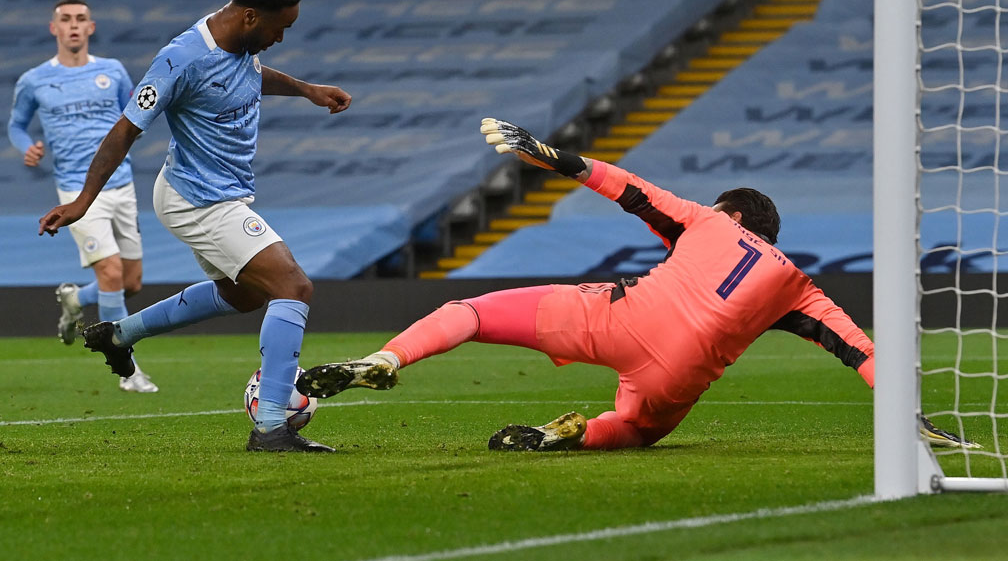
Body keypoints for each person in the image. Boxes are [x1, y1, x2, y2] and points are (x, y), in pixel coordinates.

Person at [296, 118, 979, 452]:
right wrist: (906, 415)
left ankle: (385, 360)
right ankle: (570, 437)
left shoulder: (706, 220)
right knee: (636, 430)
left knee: (470, 311)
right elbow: (860, 351)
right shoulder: (798, 286)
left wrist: (547, 154)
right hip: (678, 376)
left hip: (620, 321)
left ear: (731, 214)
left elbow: (628, 189)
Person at [38, 0, 352, 453]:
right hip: (199, 198)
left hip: (213, 192)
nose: (281, 37)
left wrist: (305, 90)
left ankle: (121, 335)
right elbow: (125, 130)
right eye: (279, 27)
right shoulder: (181, 58)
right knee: (292, 286)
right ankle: (271, 427)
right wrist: (83, 201)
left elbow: (249, 72)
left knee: (245, 294)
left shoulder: (237, 40)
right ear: (250, 17)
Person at [9, 0, 158, 393]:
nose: (73, 25)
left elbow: (133, 113)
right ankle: (128, 370)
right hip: (76, 189)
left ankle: (75, 299)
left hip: (121, 184)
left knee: (131, 282)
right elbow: (17, 124)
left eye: (80, 19)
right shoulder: (35, 79)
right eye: (65, 20)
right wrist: (27, 146)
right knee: (109, 271)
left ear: (90, 28)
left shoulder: (112, 70)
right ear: (53, 29)